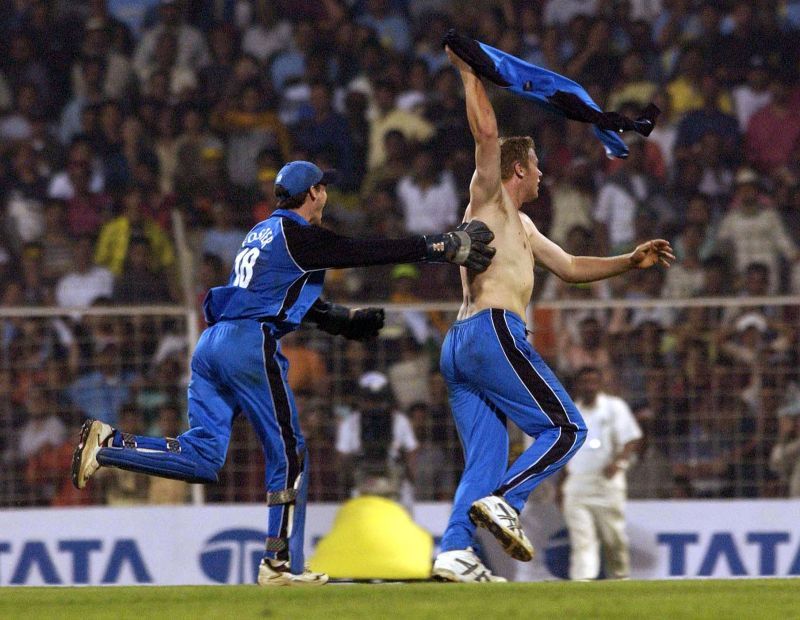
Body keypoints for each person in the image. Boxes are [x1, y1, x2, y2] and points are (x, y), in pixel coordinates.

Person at [71, 159, 496, 586]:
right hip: (248, 345)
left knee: (203, 457)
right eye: (323, 188)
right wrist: (438, 246)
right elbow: (357, 252)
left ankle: (109, 445)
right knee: (290, 452)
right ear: (312, 194)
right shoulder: (298, 235)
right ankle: (278, 564)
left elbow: (274, 292)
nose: (326, 194)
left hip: (213, 343)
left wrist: (338, 320)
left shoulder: (263, 232)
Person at [431, 47, 674, 583]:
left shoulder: (523, 226)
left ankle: (453, 551)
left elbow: (568, 266)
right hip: (494, 331)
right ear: (519, 168)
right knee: (566, 428)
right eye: (538, 166)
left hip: (462, 345)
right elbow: (486, 138)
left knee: (485, 461)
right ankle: (506, 503)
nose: (544, 176)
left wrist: (630, 261)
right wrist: (471, 74)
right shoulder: (489, 199)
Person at [560, 367, 643, 581]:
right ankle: (583, 582)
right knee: (582, 540)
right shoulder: (569, 413)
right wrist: (561, 484)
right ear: (577, 385)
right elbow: (564, 453)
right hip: (577, 485)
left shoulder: (614, 408)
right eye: (584, 382)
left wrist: (619, 462)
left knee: (613, 537)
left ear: (600, 384)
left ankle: (620, 576)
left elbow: (631, 439)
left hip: (606, 483)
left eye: (593, 381)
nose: (589, 386)